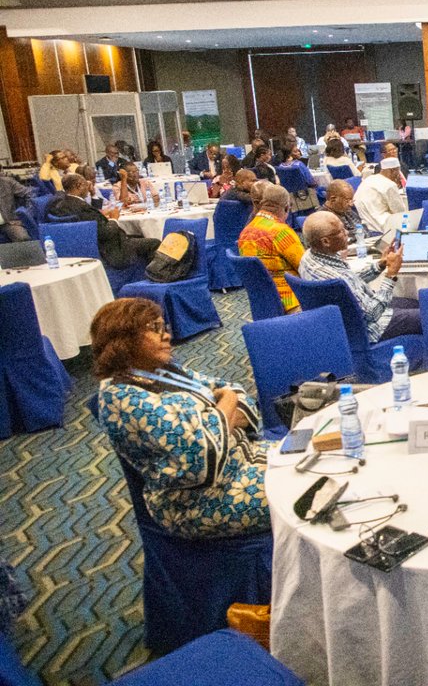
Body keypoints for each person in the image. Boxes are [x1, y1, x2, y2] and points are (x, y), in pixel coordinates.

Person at [90, 298, 270, 539]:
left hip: (242, 458)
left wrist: (211, 421)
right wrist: (226, 401)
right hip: (199, 502)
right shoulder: (123, 398)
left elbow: (239, 393)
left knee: (321, 461)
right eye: (154, 329)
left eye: (164, 327)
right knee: (310, 491)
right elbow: (200, 458)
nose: (166, 335)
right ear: (123, 338)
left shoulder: (162, 370)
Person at [299, 212, 423, 341]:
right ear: (325, 241)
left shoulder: (309, 257)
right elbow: (372, 314)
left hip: (345, 322)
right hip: (370, 329)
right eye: (341, 231)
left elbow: (350, 280)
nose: (347, 233)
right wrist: (391, 275)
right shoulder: (333, 278)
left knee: (416, 303)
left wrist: (381, 264)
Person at [47, 174, 160, 268]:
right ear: (79, 185)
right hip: (110, 249)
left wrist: (93, 194)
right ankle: (154, 276)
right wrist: (114, 219)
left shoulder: (63, 204)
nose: (89, 187)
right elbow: (107, 233)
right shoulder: (82, 207)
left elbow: (91, 216)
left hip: (83, 247)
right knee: (153, 242)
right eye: (86, 185)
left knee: (137, 236)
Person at [237, 184, 305, 313]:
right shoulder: (281, 232)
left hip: (263, 301)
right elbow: (304, 265)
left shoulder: (245, 231)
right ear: (286, 207)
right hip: (292, 301)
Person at [354, 157, 408, 233]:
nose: (399, 175)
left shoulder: (368, 179)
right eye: (398, 171)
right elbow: (400, 212)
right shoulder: (390, 185)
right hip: (381, 227)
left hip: (363, 226)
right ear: (393, 170)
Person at [0, 173, 33, 242]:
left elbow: (30, 194)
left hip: (9, 222)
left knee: (23, 238)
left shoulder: (7, 182)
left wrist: (28, 213)